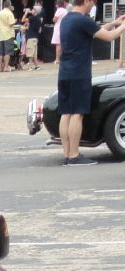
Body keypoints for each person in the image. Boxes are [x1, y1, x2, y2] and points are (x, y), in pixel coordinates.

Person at [56, 0, 125, 164]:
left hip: (64, 72)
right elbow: (109, 37)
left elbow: (97, 31)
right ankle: (74, 156)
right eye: (93, 1)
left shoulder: (67, 18)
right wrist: (122, 27)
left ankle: (67, 154)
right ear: (86, 1)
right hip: (79, 73)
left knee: (66, 113)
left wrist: (115, 23)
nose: (94, 4)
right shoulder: (83, 20)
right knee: (77, 114)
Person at [0, 1, 18, 70]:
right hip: (8, 34)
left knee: (0, 53)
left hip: (0, 35)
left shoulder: (0, 12)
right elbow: (11, 23)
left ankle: (0, 67)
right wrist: (15, 20)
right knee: (8, 52)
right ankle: (6, 67)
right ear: (9, 5)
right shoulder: (9, 13)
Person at [24, 3, 44, 68]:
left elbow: (23, 20)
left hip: (30, 37)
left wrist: (26, 13)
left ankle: (30, 66)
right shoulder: (39, 19)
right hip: (35, 37)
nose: (31, 10)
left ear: (36, 11)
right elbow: (40, 30)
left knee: (30, 52)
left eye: (33, 9)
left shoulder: (32, 18)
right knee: (34, 52)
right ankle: (36, 66)